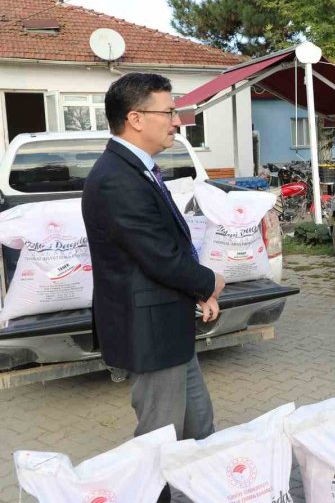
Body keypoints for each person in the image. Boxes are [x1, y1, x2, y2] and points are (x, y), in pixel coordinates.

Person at [82, 73, 225, 503]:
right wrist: (208, 281)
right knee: (159, 443)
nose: (178, 121)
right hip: (151, 333)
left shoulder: (136, 169)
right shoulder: (116, 178)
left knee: (199, 427)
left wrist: (198, 292)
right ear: (136, 118)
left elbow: (164, 245)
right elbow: (158, 255)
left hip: (169, 324)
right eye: (170, 112)